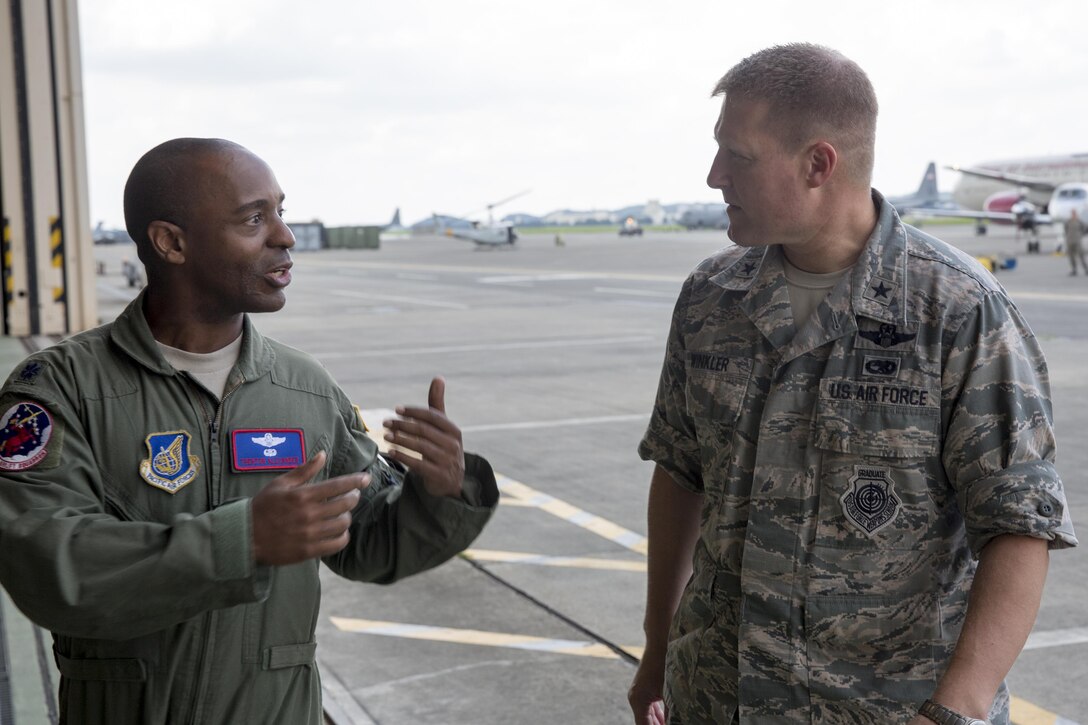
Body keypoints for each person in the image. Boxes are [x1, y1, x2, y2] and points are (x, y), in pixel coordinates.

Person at [628, 44, 1077, 725]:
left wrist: (955, 709)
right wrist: (657, 651)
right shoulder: (709, 299)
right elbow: (680, 474)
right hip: (718, 699)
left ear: (818, 164)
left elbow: (1019, 527)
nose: (715, 174)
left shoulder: (957, 312)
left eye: (737, 156)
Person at [0, 138, 499, 724]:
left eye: (280, 212)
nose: (284, 237)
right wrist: (245, 541)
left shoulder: (304, 388)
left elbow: (369, 542)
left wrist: (437, 495)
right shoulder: (60, 390)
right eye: (254, 219)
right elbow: (50, 568)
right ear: (171, 242)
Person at [1064, 208, 1087, 275]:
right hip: (1070, 241)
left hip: (1077, 241)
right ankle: (1074, 270)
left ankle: (1086, 269)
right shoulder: (1068, 222)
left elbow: (1085, 228)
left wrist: (1081, 234)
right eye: (1072, 213)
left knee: (1081, 255)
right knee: (1071, 256)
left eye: (1074, 213)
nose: (1073, 215)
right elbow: (1065, 229)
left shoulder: (1079, 221)